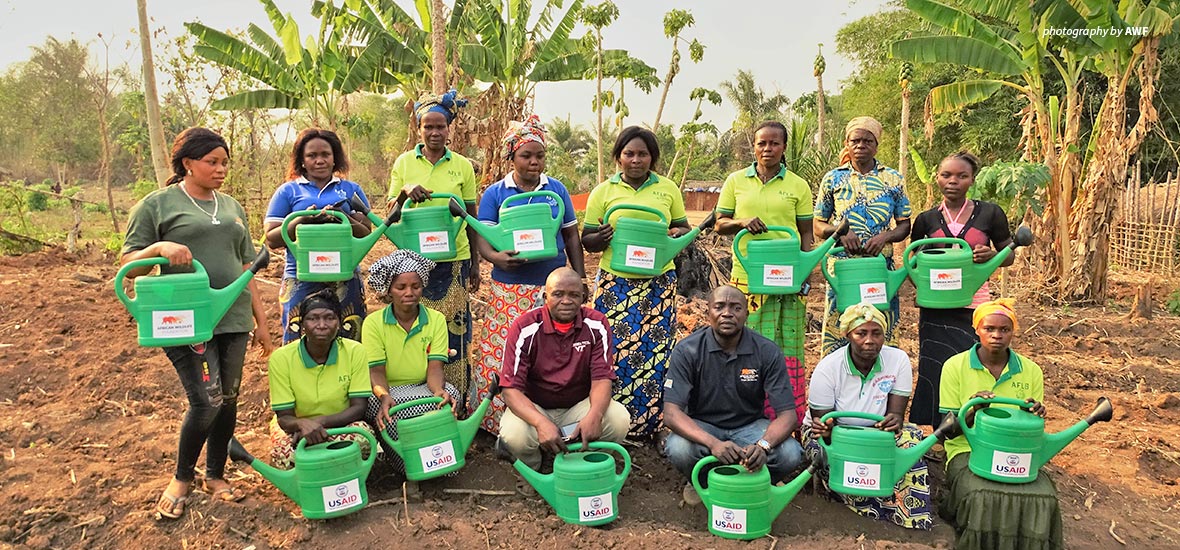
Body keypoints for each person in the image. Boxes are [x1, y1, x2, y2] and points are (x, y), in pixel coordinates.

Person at [121, 127, 274, 519]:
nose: (221, 169)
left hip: (234, 316)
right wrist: (158, 248)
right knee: (206, 400)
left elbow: (247, 267)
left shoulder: (233, 207)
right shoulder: (157, 205)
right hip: (186, 319)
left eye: (225, 163)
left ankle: (216, 474)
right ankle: (182, 478)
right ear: (187, 163)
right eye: (212, 162)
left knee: (229, 400)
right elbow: (128, 265)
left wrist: (261, 322)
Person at [473, 115, 585, 435]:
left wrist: (578, 277)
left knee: (548, 351)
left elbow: (571, 236)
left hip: (551, 286)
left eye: (539, 155)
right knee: (504, 349)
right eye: (526, 155)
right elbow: (484, 237)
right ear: (512, 157)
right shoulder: (496, 193)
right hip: (510, 286)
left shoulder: (557, 190)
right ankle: (497, 422)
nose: (534, 161)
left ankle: (549, 420)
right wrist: (497, 259)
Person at [582, 126, 690, 437]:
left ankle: (652, 425)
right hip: (616, 284)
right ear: (618, 157)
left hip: (657, 282)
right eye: (629, 153)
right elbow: (587, 239)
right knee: (611, 350)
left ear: (652, 158)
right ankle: (610, 423)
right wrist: (598, 238)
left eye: (643, 154)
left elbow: (682, 229)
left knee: (655, 352)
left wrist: (673, 234)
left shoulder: (667, 189)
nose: (635, 159)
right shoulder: (603, 191)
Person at [662, 285, 805, 502]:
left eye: (736, 308)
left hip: (750, 427)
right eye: (719, 306)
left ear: (746, 314)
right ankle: (701, 481)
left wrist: (763, 446)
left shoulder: (766, 351)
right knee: (678, 448)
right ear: (708, 311)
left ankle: (752, 483)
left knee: (791, 454)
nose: (727, 313)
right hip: (703, 425)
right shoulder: (687, 350)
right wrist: (713, 444)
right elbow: (672, 414)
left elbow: (788, 415)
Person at [715, 120, 814, 429]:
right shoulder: (736, 181)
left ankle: (784, 416)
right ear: (753, 147)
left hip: (786, 279)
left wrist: (806, 274)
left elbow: (806, 234)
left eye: (774, 143)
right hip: (747, 276)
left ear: (784, 147)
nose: (767, 149)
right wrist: (742, 222)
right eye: (762, 143)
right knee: (744, 343)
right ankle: (743, 410)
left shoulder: (797, 185)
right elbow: (719, 223)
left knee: (786, 346)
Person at [937, 299, 1059, 549]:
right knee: (981, 494)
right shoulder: (955, 366)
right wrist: (972, 410)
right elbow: (946, 433)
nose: (996, 335)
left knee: (1044, 496)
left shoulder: (1031, 370)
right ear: (976, 330)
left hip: (1015, 452)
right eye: (989, 329)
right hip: (967, 450)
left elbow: (1032, 432)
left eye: (1004, 330)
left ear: (1013, 332)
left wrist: (1035, 414)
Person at [387, 89, 480, 413]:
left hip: (454, 260)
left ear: (449, 129)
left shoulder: (463, 167)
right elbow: (390, 217)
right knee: (419, 333)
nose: (434, 132)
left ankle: (455, 407)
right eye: (428, 126)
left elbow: (471, 218)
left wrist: (476, 265)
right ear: (418, 128)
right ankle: (416, 406)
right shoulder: (403, 164)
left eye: (440, 126)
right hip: (414, 264)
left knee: (455, 335)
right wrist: (403, 193)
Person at [803, 302, 932, 530]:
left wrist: (894, 421)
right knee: (844, 465)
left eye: (877, 333)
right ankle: (869, 514)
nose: (869, 340)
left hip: (876, 433)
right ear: (848, 335)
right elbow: (823, 426)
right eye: (861, 333)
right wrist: (832, 431)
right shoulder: (828, 369)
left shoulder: (898, 360)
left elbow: (895, 415)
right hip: (835, 434)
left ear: (885, 335)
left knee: (911, 441)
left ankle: (913, 518)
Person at [908, 151, 1015, 426]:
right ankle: (939, 427)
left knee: (971, 365)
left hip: (974, 305)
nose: (953, 181)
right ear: (937, 179)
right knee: (935, 365)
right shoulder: (926, 219)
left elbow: (1009, 255)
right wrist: (922, 288)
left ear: (972, 179)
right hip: (935, 310)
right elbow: (912, 261)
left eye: (961, 176)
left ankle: (973, 423)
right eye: (946, 175)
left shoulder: (990, 213)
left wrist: (991, 256)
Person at [497, 268, 630, 469]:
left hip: (577, 408)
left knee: (618, 419)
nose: (566, 301)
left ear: (584, 297)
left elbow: (602, 378)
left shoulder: (596, 324)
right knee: (515, 435)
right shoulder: (525, 327)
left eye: (574, 295)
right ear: (545, 296)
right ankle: (532, 468)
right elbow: (511, 390)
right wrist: (541, 423)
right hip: (536, 408)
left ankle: (583, 463)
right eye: (558, 294)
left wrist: (594, 415)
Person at [814, 116, 912, 356]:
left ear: (876, 145)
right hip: (842, 270)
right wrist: (840, 233)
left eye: (867, 140)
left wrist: (885, 237)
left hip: (880, 267)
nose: (860, 145)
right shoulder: (833, 178)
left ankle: (881, 386)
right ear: (847, 144)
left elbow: (904, 225)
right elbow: (818, 225)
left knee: (879, 326)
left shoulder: (893, 179)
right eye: (855, 140)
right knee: (840, 328)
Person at [264, 128, 372, 344]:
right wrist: (303, 220)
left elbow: (366, 233)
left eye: (325, 154)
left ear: (335, 159)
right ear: (302, 161)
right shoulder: (288, 192)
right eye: (312, 156)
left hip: (345, 277)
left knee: (349, 339)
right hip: (300, 278)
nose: (319, 160)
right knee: (298, 340)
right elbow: (272, 238)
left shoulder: (350, 190)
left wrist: (343, 218)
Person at [362, 250, 462, 471]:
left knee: (450, 395)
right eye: (401, 287)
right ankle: (408, 466)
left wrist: (437, 391)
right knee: (384, 408)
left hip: (423, 387)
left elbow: (435, 367)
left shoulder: (435, 319)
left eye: (415, 286)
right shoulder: (373, 323)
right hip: (389, 391)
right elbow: (376, 372)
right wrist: (384, 395)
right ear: (389, 290)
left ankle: (438, 461)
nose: (409, 292)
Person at [267, 291, 374, 469]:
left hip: (339, 424)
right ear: (302, 324)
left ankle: (343, 477)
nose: (322, 325)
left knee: (364, 437)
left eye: (329, 318)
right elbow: (284, 417)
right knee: (283, 455)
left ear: (339, 323)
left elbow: (358, 408)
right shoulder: (281, 358)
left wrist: (319, 422)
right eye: (313, 318)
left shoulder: (355, 352)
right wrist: (302, 425)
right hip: (297, 428)